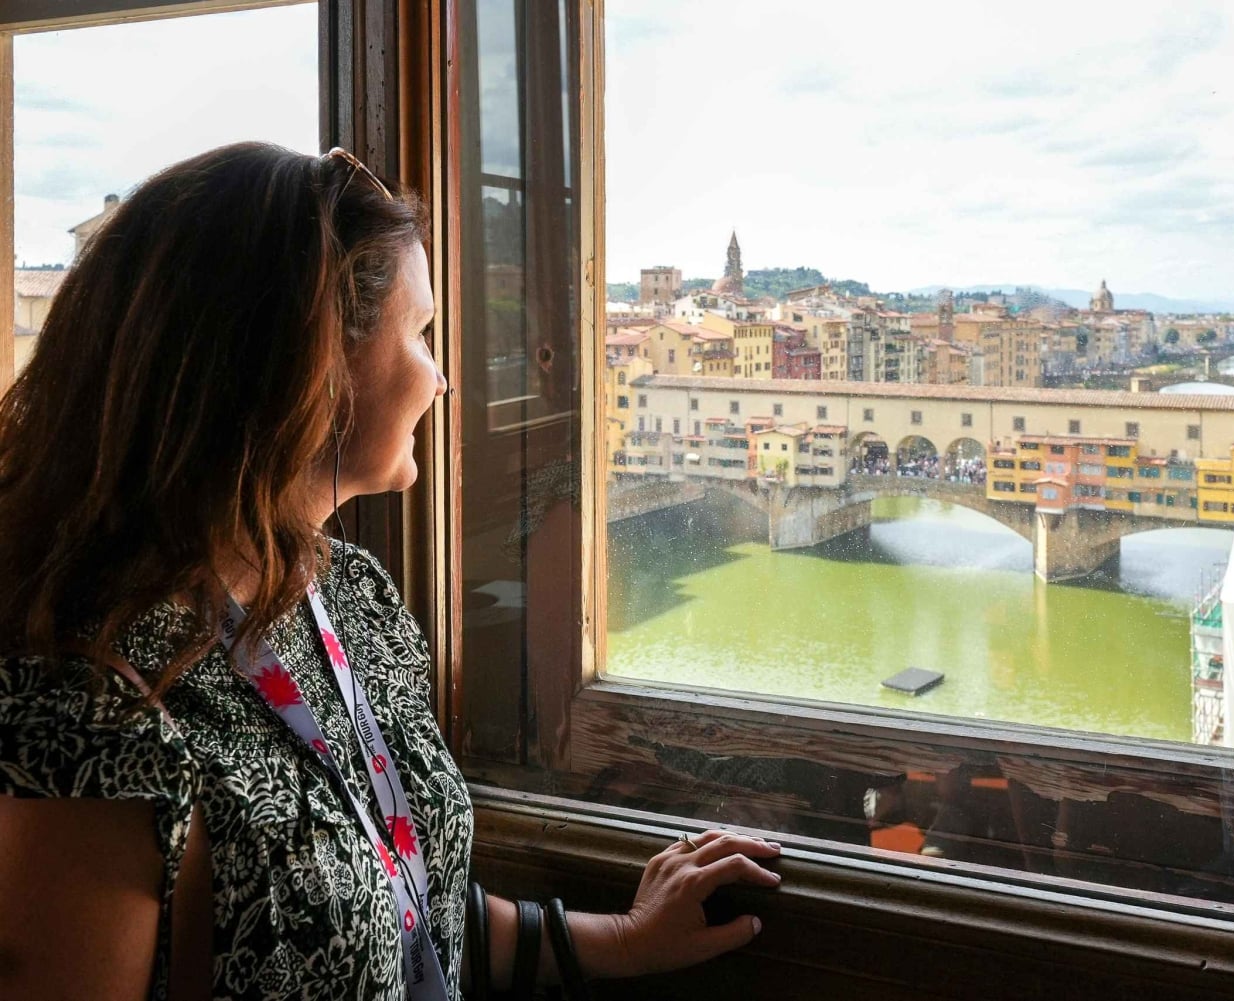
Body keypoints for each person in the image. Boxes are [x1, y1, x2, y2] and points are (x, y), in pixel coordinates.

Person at [0, 142, 781, 1001]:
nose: (442, 379)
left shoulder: (352, 598)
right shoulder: (86, 713)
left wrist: (625, 938)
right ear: (315, 367)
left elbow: (398, 904)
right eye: (419, 333)